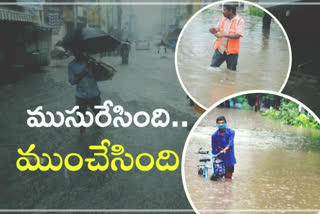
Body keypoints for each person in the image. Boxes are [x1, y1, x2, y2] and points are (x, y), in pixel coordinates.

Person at [68, 49, 101, 133]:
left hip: (94, 94)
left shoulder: (91, 61)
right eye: (76, 52)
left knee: (98, 116)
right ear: (74, 53)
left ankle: (98, 135)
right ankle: (82, 137)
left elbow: (98, 76)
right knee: (80, 118)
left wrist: (96, 66)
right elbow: (72, 81)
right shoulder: (71, 65)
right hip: (81, 96)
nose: (78, 53)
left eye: (80, 51)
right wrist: (85, 71)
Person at [209, 3, 245, 71]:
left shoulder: (240, 21)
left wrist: (223, 34)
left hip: (232, 52)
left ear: (230, 11)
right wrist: (212, 30)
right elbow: (217, 29)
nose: (222, 11)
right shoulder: (223, 18)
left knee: (231, 72)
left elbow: (237, 35)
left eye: (224, 10)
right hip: (220, 49)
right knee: (212, 69)